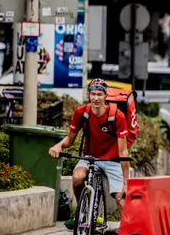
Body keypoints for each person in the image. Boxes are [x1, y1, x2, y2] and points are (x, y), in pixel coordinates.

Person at [48, 78, 131, 226]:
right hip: (90, 157)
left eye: (100, 94)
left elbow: (123, 151)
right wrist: (59, 146)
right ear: (88, 95)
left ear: (106, 96)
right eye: (93, 94)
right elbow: (70, 140)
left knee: (120, 197)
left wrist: (126, 182)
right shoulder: (82, 112)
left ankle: (131, 232)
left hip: (112, 160)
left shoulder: (117, 116)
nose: (96, 98)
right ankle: (82, 212)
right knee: (77, 178)